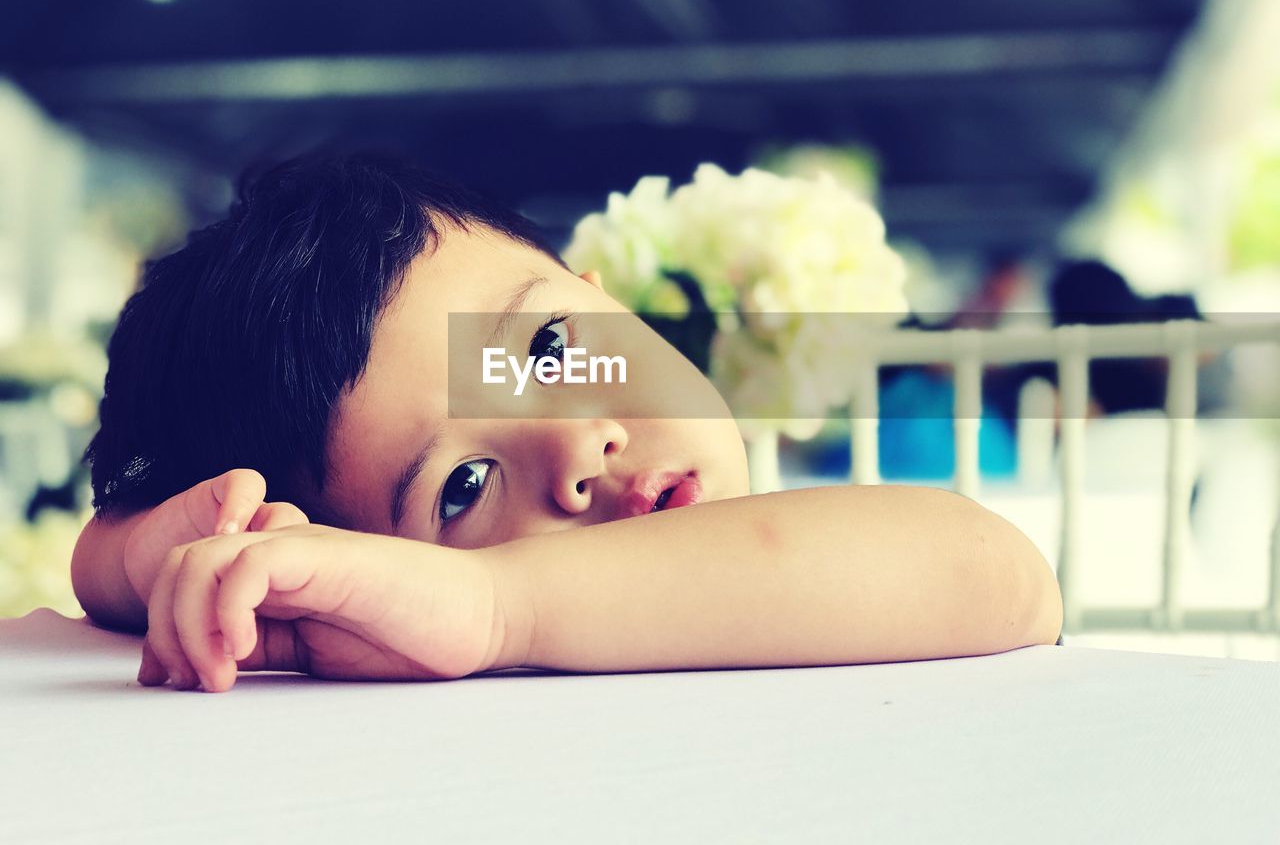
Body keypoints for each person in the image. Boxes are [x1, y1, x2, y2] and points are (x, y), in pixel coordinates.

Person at [70, 152, 1063, 693]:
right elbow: (118, 567)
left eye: (544, 349)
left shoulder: (823, 574)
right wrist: (152, 554)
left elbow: (999, 576)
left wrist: (497, 604)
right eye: (459, 487)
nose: (574, 447)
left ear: (609, 300)